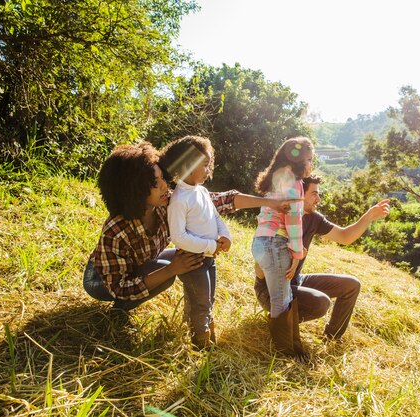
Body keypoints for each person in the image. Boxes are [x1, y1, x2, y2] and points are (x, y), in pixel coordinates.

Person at [83, 141, 297, 340]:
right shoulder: (116, 230)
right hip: (104, 281)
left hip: (142, 262)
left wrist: (270, 202)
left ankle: (195, 317)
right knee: (168, 273)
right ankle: (119, 311)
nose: (165, 187)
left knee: (188, 259)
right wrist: (170, 270)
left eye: (163, 179)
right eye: (155, 184)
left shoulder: (166, 203)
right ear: (134, 190)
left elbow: (220, 201)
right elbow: (119, 286)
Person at [254, 175, 390, 342]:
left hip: (296, 281)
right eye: (314, 194)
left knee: (352, 285)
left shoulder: (314, 218)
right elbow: (261, 264)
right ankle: (279, 323)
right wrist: (290, 253)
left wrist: (368, 216)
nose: (318, 199)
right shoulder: (277, 217)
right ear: (299, 193)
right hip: (270, 290)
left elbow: (344, 236)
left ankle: (332, 338)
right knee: (320, 303)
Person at [161, 136, 230, 349]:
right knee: (201, 302)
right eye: (205, 165)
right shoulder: (180, 200)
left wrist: (225, 235)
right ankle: (201, 344)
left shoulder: (202, 192)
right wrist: (210, 246)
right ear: (188, 166)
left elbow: (215, 216)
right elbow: (178, 237)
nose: (209, 170)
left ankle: (203, 334)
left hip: (209, 258)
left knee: (208, 299)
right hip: (192, 260)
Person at [251, 137, 314, 359]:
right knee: (281, 299)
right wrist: (297, 255)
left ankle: (292, 347)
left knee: (282, 296)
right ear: (298, 161)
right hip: (276, 244)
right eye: (309, 159)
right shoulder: (294, 183)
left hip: (260, 242)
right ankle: (283, 354)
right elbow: (294, 222)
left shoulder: (276, 178)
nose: (311, 165)